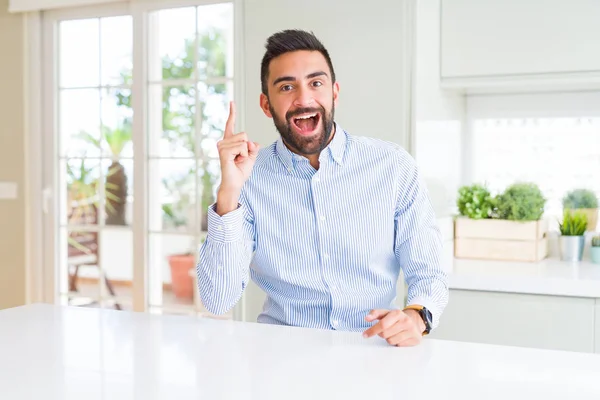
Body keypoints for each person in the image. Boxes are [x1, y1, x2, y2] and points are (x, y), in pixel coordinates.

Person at [197, 29, 448, 347]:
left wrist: (416, 317)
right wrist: (228, 194)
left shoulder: (394, 166)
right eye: (287, 87)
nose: (303, 99)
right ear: (265, 104)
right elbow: (218, 299)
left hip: (372, 350)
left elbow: (429, 271)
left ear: (334, 93)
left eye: (316, 83)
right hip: (280, 357)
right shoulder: (248, 178)